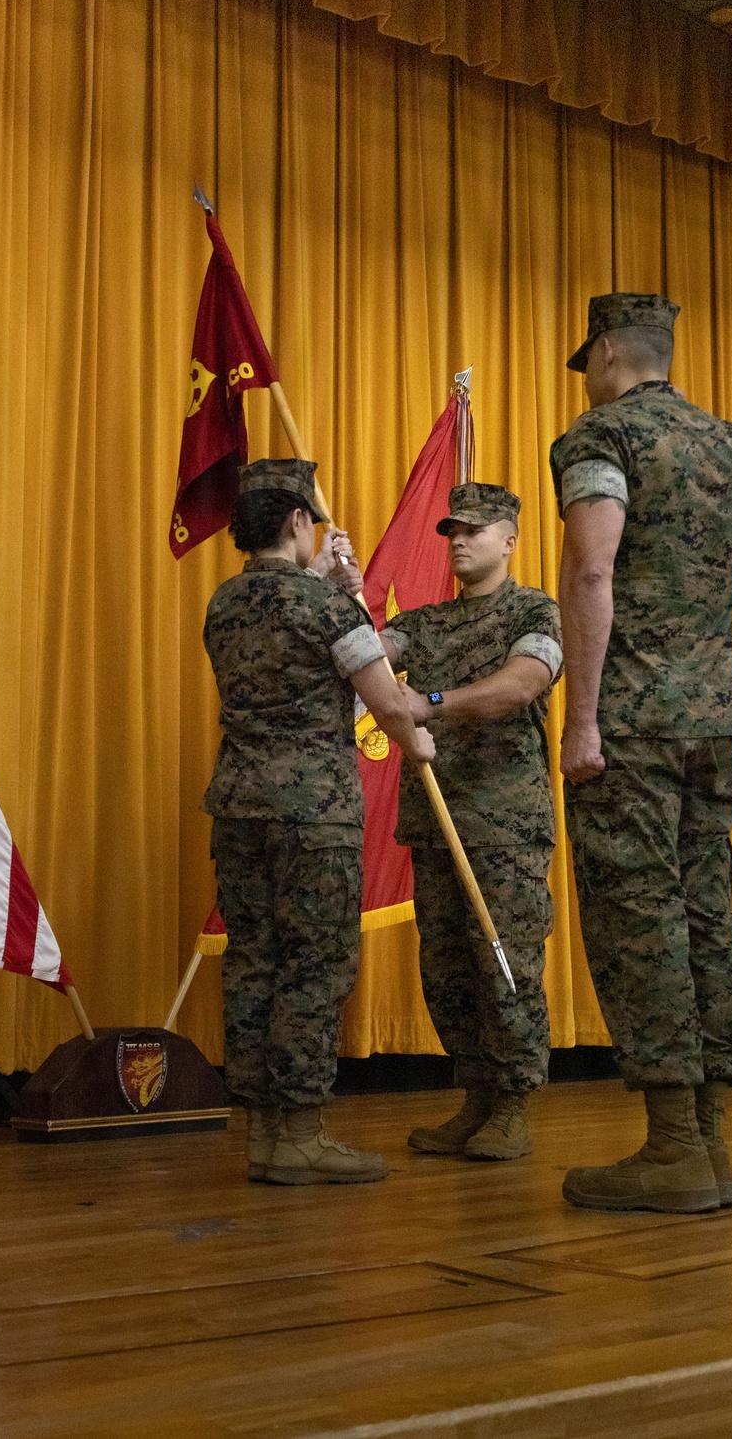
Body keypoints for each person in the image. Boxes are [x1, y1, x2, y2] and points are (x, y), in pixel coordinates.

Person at [551, 292, 732, 1213]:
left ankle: (673, 1148)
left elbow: (589, 570)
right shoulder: (731, 443)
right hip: (714, 717)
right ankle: (711, 1143)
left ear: (609, 350)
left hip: (635, 721)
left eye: (591, 360)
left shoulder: (601, 439)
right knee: (704, 909)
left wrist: (583, 721)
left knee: (638, 912)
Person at [203, 457, 435, 1187]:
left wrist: (330, 589)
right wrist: (418, 739)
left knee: (254, 962)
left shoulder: (223, 602)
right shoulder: (327, 611)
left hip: (239, 806)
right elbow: (387, 702)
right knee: (314, 965)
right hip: (314, 816)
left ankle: (264, 1132)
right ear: (299, 520)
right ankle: (301, 1133)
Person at [381, 483, 563, 1161]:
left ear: (510, 538)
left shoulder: (533, 609)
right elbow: (368, 654)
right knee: (448, 968)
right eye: (452, 529)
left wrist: (429, 700)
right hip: (435, 822)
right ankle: (477, 1098)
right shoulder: (423, 623)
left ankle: (513, 1104)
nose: (459, 540)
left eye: (476, 530)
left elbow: (521, 685)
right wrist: (338, 586)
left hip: (504, 824)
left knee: (504, 962)